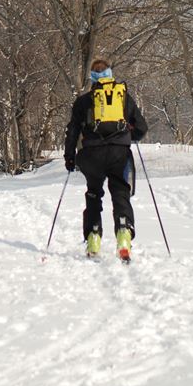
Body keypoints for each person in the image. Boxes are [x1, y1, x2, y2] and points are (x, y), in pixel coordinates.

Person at [63, 57, 148, 261]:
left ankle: (93, 237)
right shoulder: (123, 97)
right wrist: (128, 137)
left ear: (92, 78)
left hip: (91, 155)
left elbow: (72, 130)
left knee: (94, 193)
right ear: (110, 74)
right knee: (120, 192)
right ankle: (124, 235)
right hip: (119, 153)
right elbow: (142, 127)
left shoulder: (84, 101)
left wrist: (70, 157)